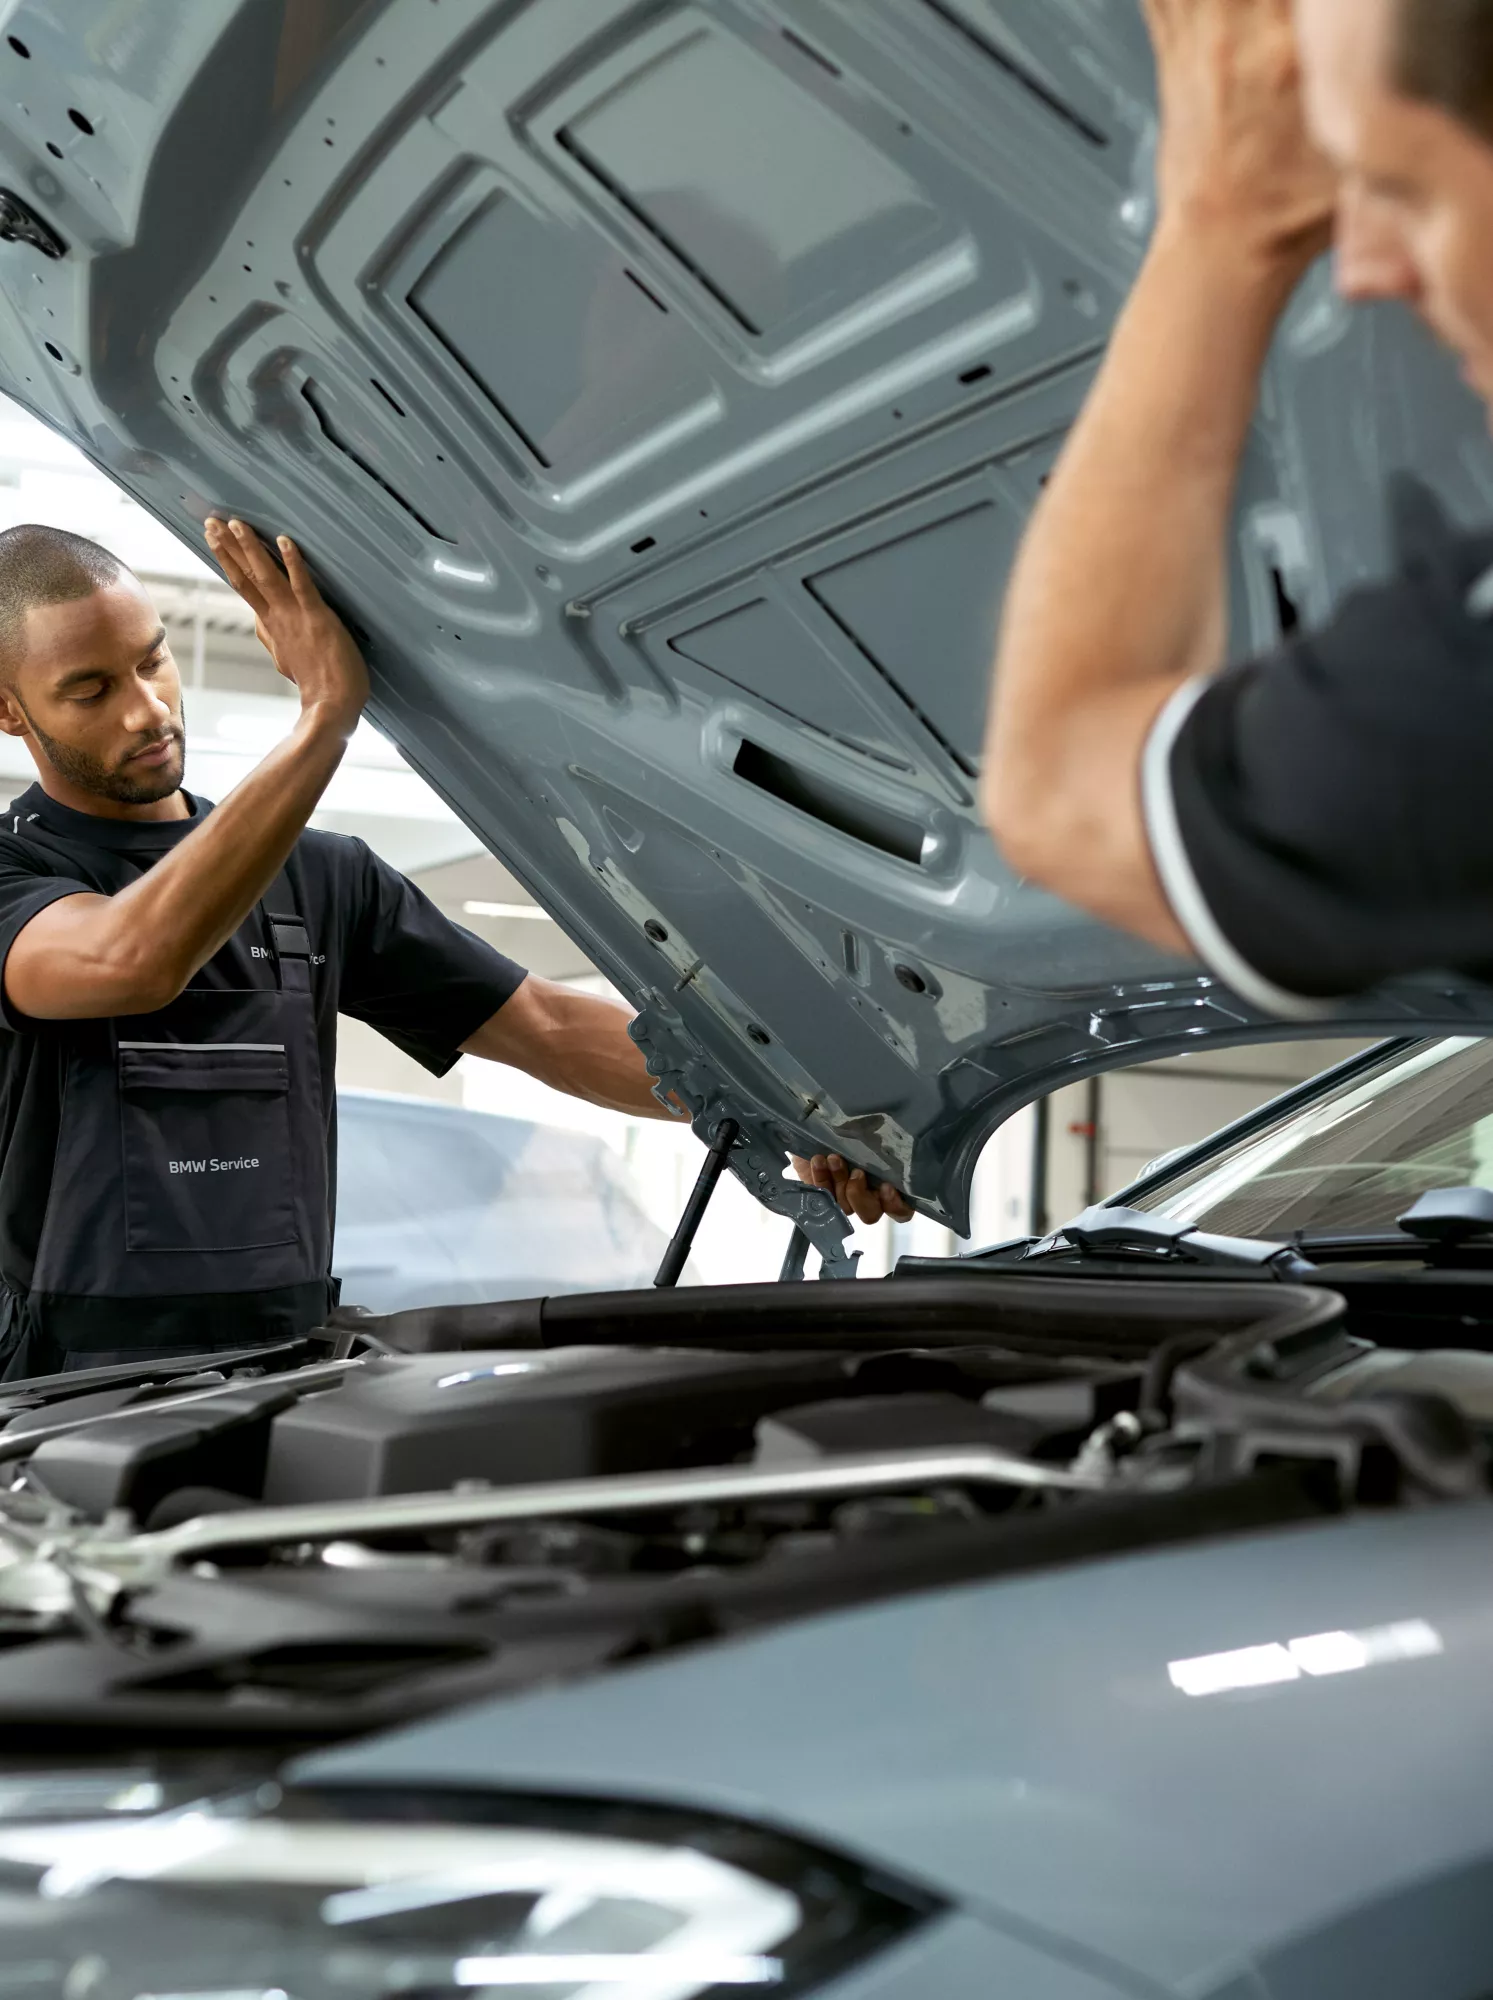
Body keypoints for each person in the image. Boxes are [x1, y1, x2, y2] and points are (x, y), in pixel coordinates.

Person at [0, 517, 906, 1377]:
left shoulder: (323, 880)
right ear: (9, 711)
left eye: (153, 660)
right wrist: (325, 719)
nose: (147, 709)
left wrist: (804, 1114)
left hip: (277, 1371)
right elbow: (130, 963)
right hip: (62, 1397)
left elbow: (547, 1027)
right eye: (89, 690)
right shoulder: (17, 877)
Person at [982, 0, 1493, 1017]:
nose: (1363, 266)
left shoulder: (1460, 700)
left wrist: (1226, 222)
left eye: (1403, 189)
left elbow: (1055, 782)